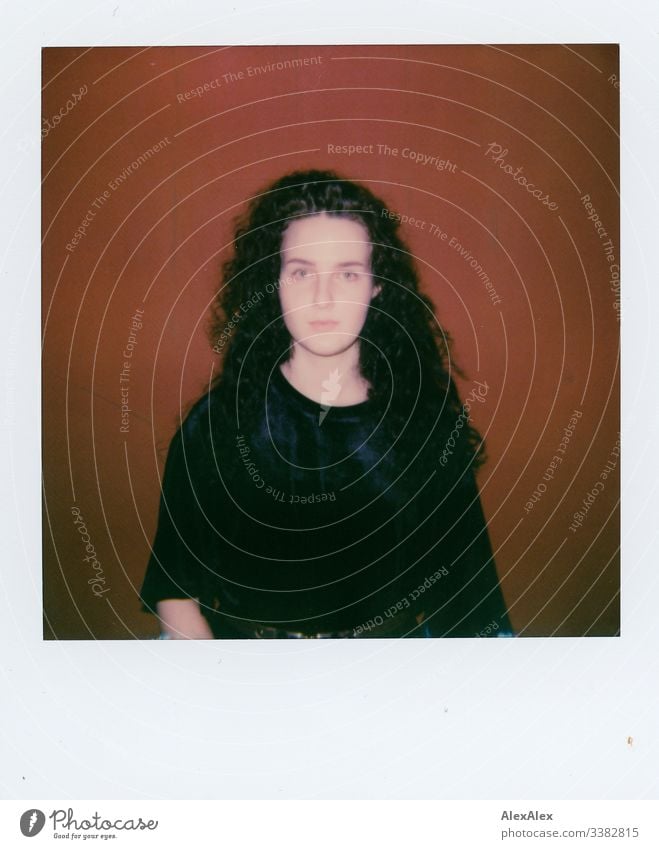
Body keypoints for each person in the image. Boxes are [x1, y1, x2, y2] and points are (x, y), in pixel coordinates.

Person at [139, 169, 513, 639]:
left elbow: (467, 591)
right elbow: (175, 590)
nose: (323, 298)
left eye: (348, 273)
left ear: (378, 285)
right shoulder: (215, 426)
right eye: (301, 272)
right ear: (272, 283)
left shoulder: (425, 421)